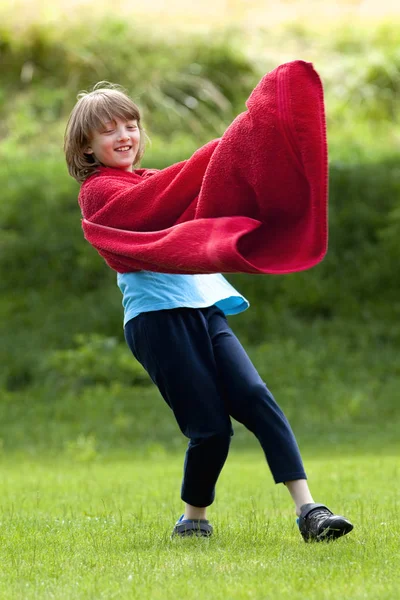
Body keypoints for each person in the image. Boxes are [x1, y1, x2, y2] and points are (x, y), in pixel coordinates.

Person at [64, 82, 354, 542]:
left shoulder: (152, 179)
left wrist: (254, 149)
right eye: (108, 130)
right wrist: (224, 146)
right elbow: (156, 206)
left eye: (131, 125)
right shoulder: (98, 192)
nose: (124, 136)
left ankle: (310, 511)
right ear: (86, 146)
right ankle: (193, 518)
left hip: (204, 307)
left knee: (258, 401)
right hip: (158, 320)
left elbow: (208, 201)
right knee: (211, 430)